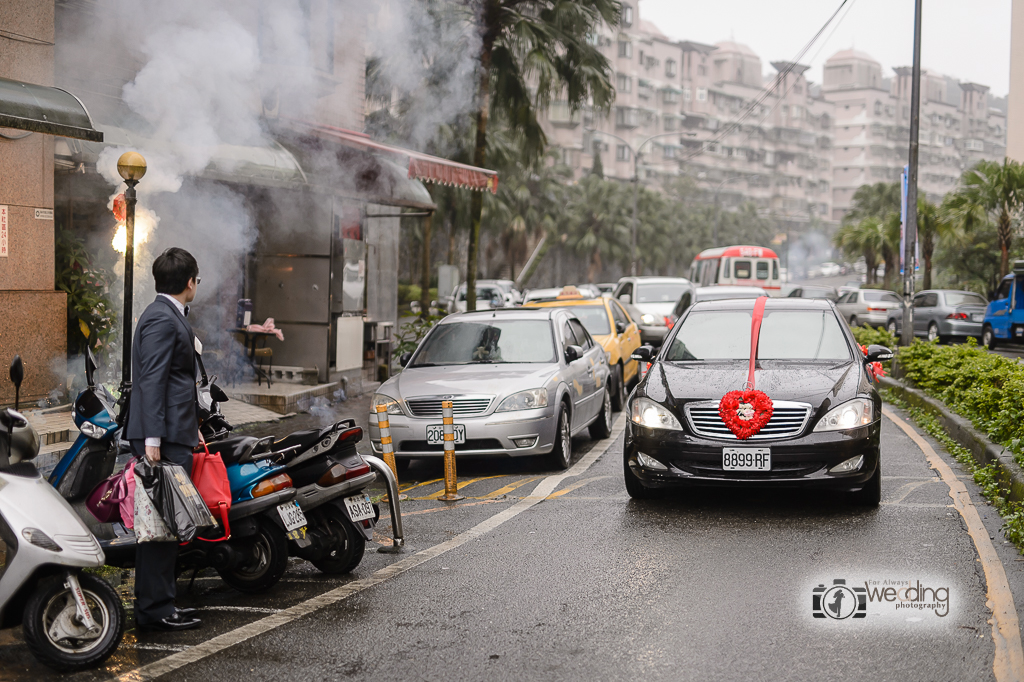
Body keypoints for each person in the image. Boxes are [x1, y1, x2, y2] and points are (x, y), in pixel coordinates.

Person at [125, 247, 203, 632]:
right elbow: (152, 380)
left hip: (173, 433)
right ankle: (155, 610)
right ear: (189, 282)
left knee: (167, 523)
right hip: (163, 439)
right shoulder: (161, 318)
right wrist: (153, 439)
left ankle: (162, 603)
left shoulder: (165, 314)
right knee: (159, 524)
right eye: (197, 280)